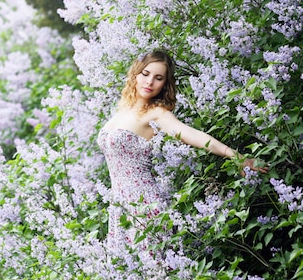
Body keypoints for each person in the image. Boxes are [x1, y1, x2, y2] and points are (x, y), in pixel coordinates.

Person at [97, 50, 267, 246]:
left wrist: (237, 157)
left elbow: (195, 135)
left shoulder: (157, 114)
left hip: (144, 206)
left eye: (158, 78)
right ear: (136, 73)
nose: (150, 82)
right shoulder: (123, 109)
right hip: (120, 207)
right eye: (146, 74)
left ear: (164, 85)